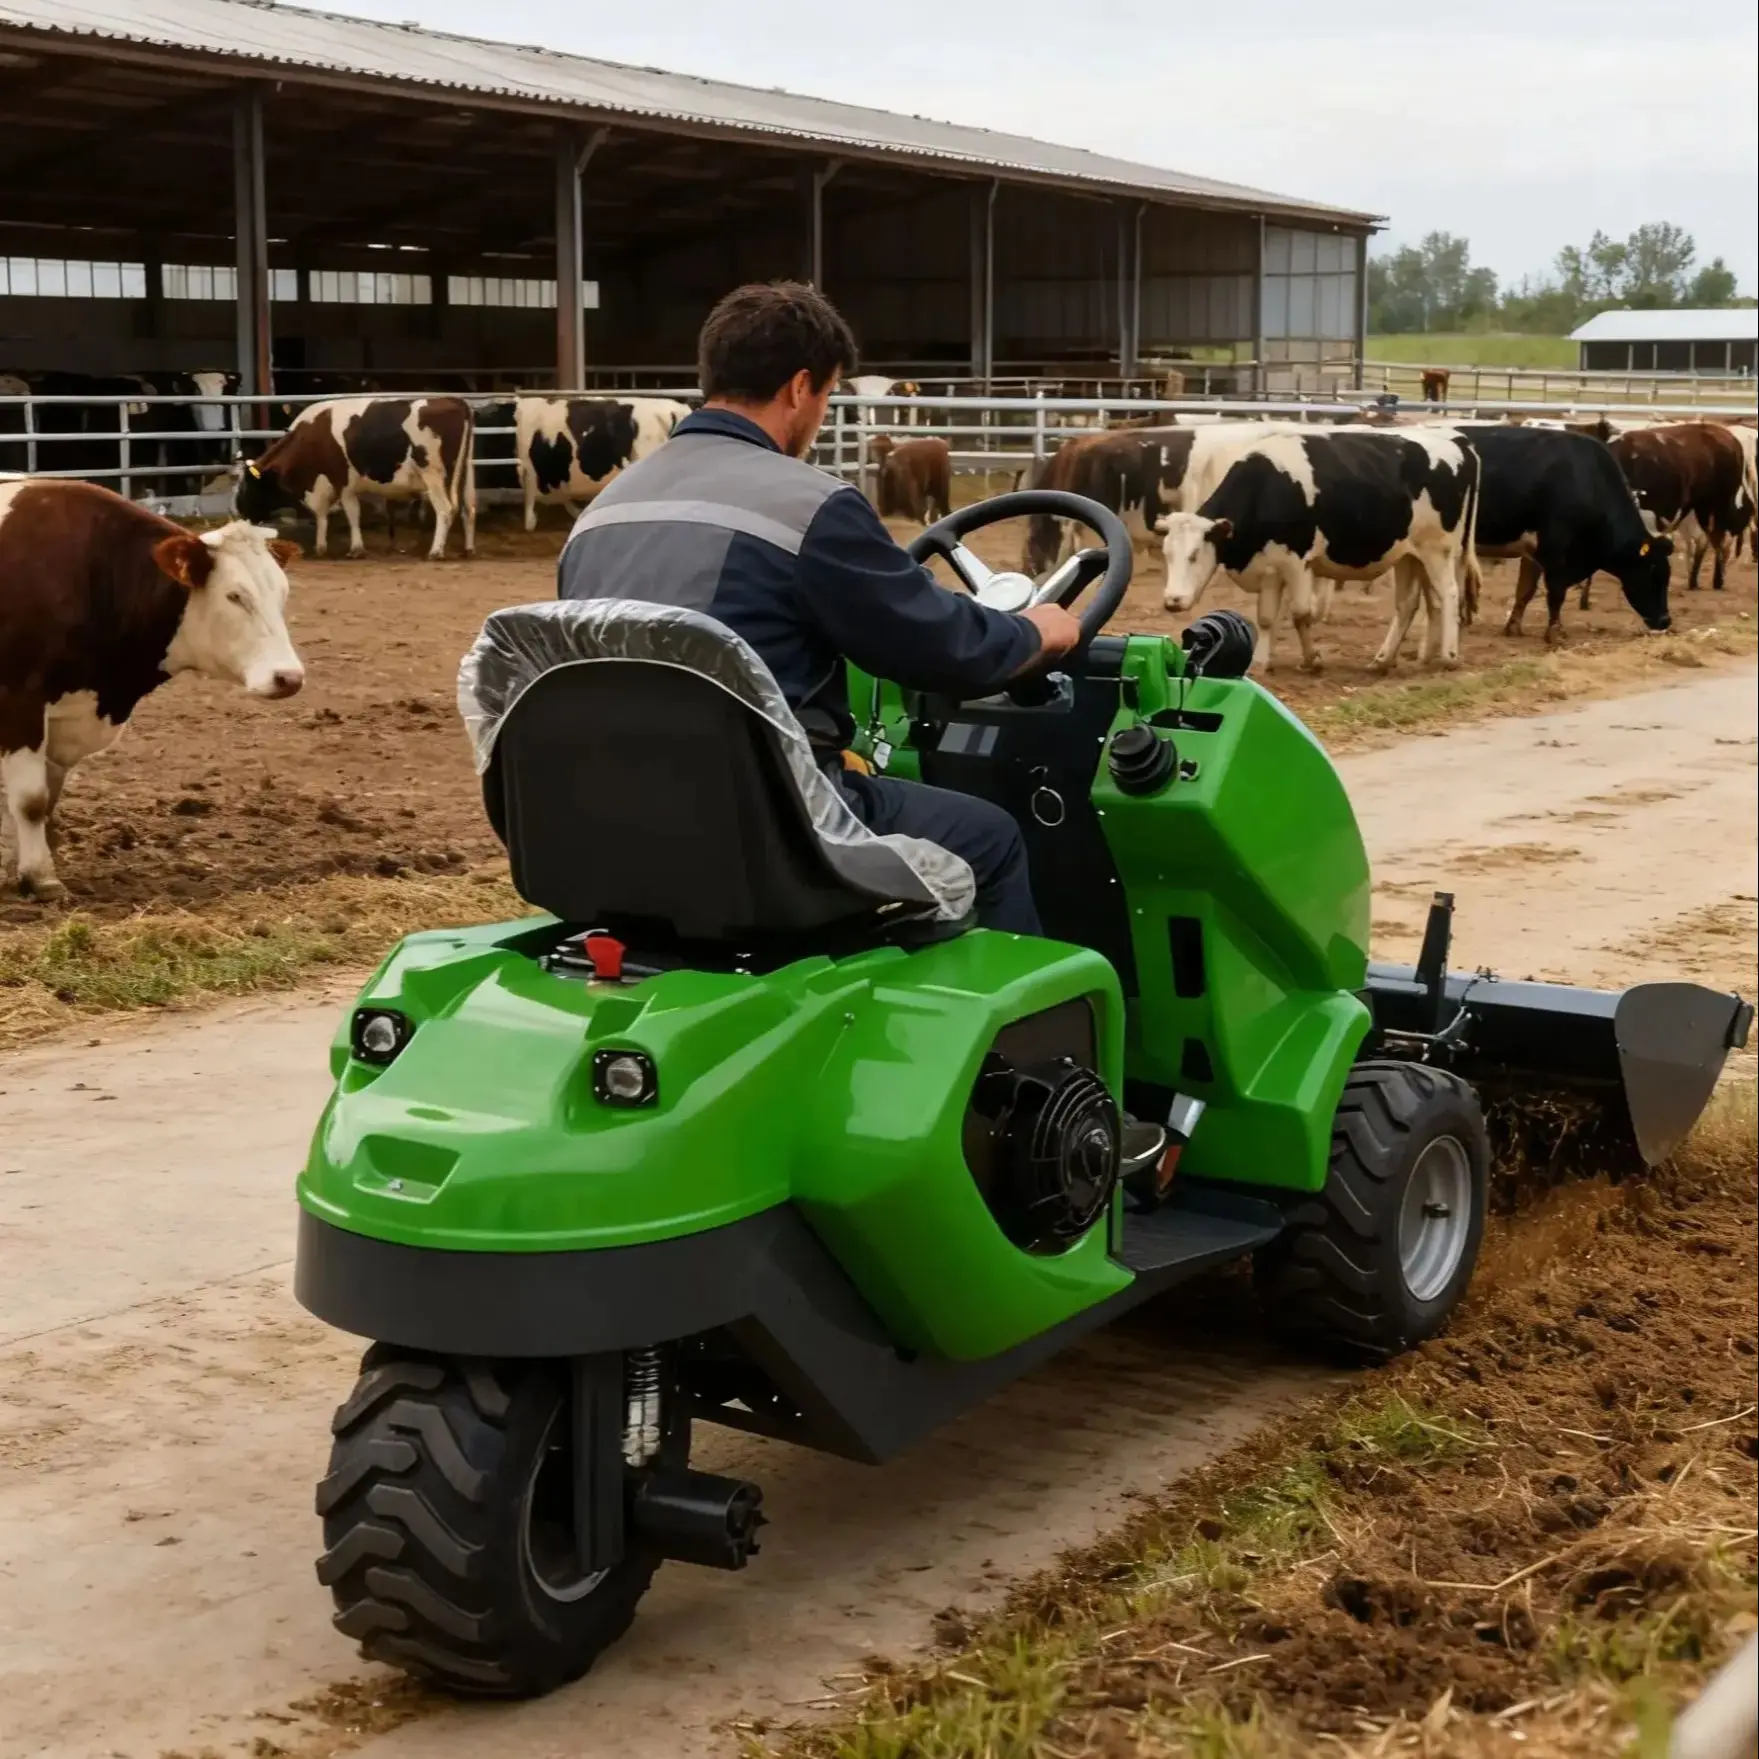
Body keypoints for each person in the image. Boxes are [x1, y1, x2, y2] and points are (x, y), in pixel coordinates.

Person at [555, 280, 1079, 936]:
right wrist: (1033, 631)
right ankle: (1024, 1038)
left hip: (612, 822)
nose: (822, 414)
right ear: (800, 388)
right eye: (829, 395)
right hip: (764, 825)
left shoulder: (603, 511)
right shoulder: (808, 505)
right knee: (992, 838)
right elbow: (941, 645)